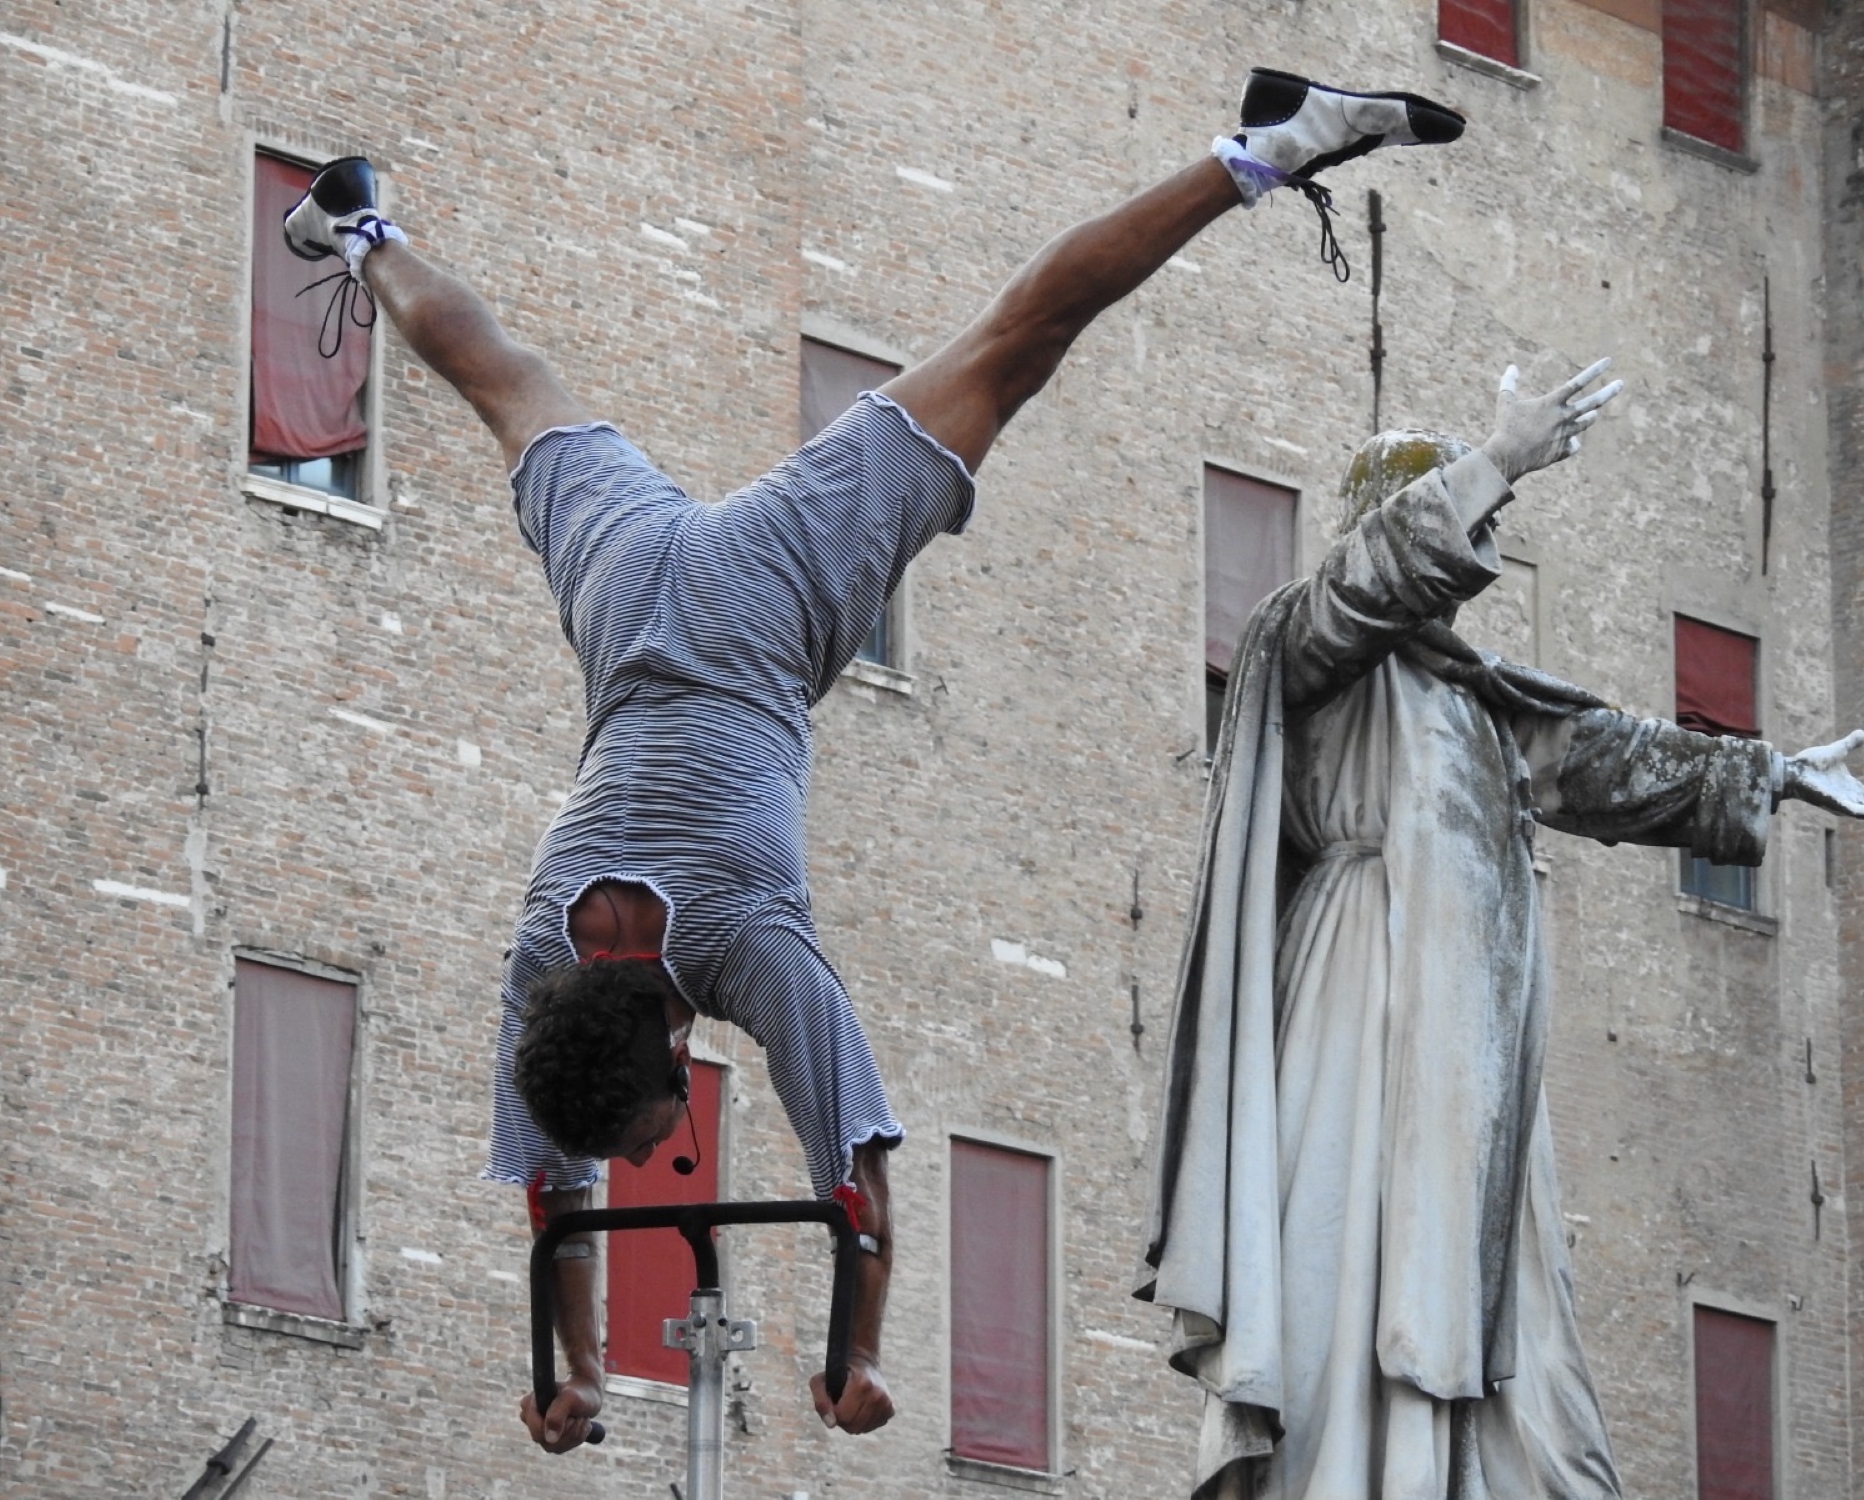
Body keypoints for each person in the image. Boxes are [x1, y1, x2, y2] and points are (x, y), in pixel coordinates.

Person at [279, 69, 1468, 1453]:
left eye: (666, 1118)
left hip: (764, 605)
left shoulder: (743, 943)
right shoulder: (540, 963)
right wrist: (577, 1371)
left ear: (676, 1043)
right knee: (507, 387)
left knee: (1021, 341)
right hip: (628, 594)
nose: (672, 1131)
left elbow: (857, 1171)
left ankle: (1269, 148)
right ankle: (363, 231)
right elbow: (559, 1194)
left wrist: (856, 1365)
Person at [1136, 363, 1864, 1499]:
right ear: (1392, 522)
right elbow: (1364, 591)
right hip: (1359, 995)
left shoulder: (1472, 700)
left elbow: (1602, 761)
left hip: (1471, 1037)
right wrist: (1496, 456)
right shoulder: (1304, 645)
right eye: (1464, 517)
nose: (1481, 552)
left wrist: (1777, 774)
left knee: (1504, 1297)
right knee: (1342, 1265)